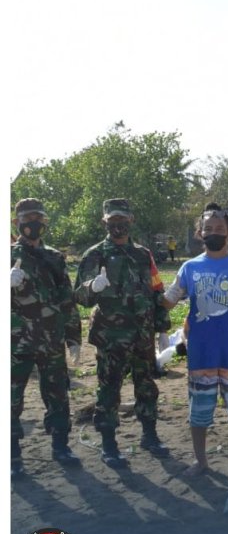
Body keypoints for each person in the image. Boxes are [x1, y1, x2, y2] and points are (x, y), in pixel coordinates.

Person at [162, 204, 228, 475]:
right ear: (199, 233)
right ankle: (201, 462)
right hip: (201, 353)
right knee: (199, 412)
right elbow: (168, 302)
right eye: (208, 228)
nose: (214, 232)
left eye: (219, 229)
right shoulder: (189, 268)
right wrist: (167, 296)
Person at [74, 198, 172, 468]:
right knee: (109, 390)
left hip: (142, 334)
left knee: (146, 386)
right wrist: (92, 286)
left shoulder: (143, 254)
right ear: (104, 222)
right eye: (113, 220)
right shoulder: (94, 254)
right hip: (111, 336)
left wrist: (162, 327)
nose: (118, 225)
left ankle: (149, 436)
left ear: (131, 221)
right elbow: (79, 296)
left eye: (123, 220)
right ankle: (109, 444)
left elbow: (156, 290)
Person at [11, 199, 83, 477]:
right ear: (17, 222)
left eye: (37, 218)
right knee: (11, 398)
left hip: (51, 339)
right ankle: (13, 455)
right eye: (27, 218)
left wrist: (73, 336)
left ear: (44, 222)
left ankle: (60, 445)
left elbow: (67, 299)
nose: (33, 223)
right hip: (17, 341)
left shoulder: (54, 256)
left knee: (57, 395)